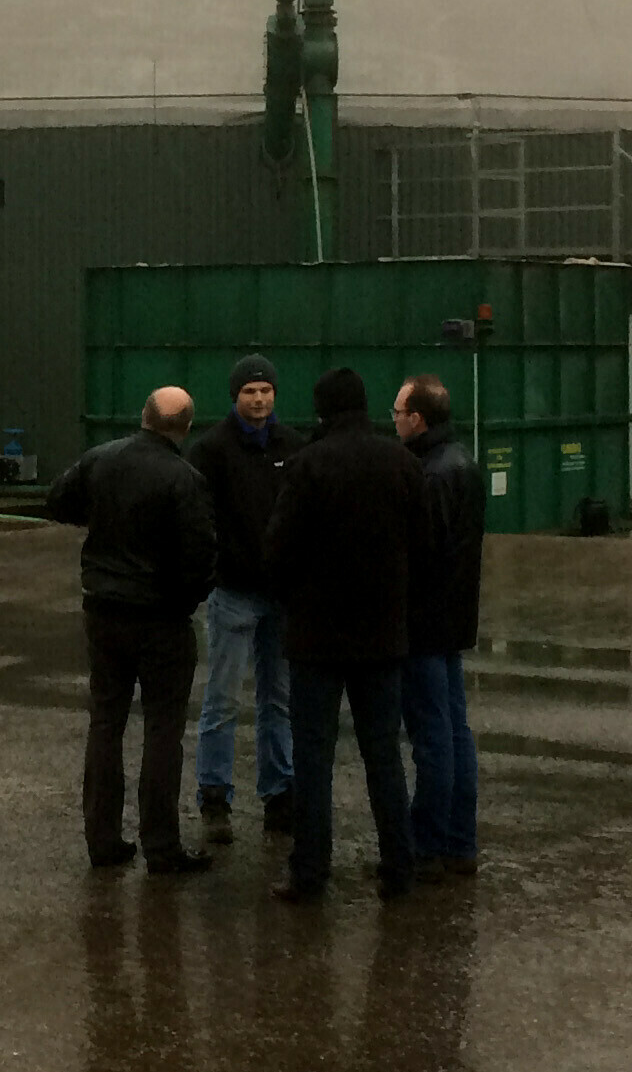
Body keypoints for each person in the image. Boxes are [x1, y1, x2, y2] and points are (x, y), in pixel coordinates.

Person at [261, 367, 430, 902]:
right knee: (383, 753)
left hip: (316, 635)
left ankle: (310, 872)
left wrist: (295, 597)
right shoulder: (402, 463)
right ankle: (399, 867)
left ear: (321, 410)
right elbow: (425, 545)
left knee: (313, 756)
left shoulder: (307, 466)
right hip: (382, 632)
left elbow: (278, 550)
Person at [45, 385, 219, 874]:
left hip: (103, 611)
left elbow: (56, 501)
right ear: (185, 427)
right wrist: (185, 600)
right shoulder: (185, 479)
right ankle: (160, 845)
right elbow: (201, 556)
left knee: (106, 723)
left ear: (142, 416)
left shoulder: (101, 459)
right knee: (163, 730)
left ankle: (102, 839)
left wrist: (99, 518)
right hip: (162, 619)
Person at [182, 354, 305, 844]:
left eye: (265, 391)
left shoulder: (292, 446)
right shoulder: (210, 450)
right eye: (250, 392)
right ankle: (215, 795)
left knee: (279, 698)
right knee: (222, 698)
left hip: (280, 594)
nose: (258, 399)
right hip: (233, 591)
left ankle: (280, 793)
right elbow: (198, 515)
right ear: (235, 397)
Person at [393, 374, 485, 880]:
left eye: (397, 413)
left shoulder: (426, 474)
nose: (394, 421)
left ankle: (425, 844)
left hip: (424, 624)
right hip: (453, 620)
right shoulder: (464, 464)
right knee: (455, 731)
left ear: (417, 419)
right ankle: (459, 842)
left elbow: (419, 553)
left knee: (431, 737)